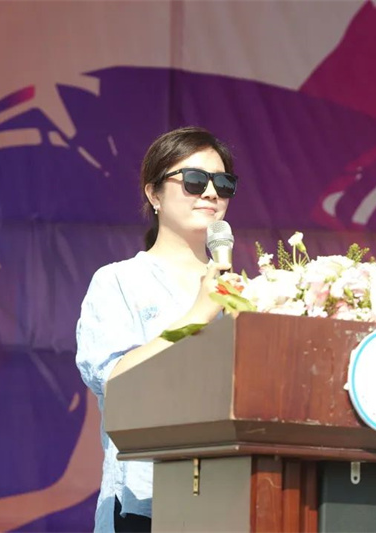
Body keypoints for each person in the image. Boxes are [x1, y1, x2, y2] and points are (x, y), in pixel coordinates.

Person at [75, 126, 238, 532]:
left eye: (223, 184)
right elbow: (114, 381)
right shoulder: (119, 281)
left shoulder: (242, 290)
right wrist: (195, 317)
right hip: (145, 502)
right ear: (154, 194)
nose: (210, 193)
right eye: (194, 180)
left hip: (231, 496)